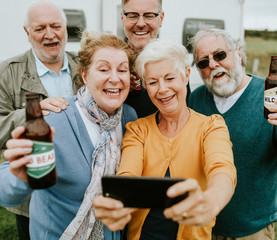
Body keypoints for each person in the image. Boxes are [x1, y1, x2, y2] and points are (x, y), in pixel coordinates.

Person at [93, 39, 237, 240]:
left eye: (170, 78)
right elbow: (128, 176)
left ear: (186, 76)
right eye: (152, 82)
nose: (162, 89)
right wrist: (119, 201)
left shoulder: (211, 126)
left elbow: (222, 170)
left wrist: (211, 201)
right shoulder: (138, 130)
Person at [0, 30, 137, 239]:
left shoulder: (129, 118)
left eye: (122, 70)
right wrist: (20, 178)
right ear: (84, 75)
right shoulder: (55, 118)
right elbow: (5, 190)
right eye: (103, 69)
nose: (115, 78)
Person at [0, 1, 80, 239]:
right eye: (39, 28)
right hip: (32, 194)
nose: (49, 34)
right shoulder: (7, 73)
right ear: (27, 33)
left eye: (55, 26)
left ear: (65, 29)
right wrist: (29, 114)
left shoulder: (84, 66)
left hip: (78, 189)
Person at [187, 28, 277, 239]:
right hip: (204, 228)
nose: (212, 64)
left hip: (252, 231)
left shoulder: (269, 95)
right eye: (203, 62)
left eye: (220, 55)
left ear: (238, 52)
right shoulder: (196, 100)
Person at [121, 0, 190, 117]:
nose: (141, 23)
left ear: (161, 18)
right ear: (123, 18)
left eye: (149, 16)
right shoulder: (110, 63)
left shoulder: (174, 60)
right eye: (133, 16)